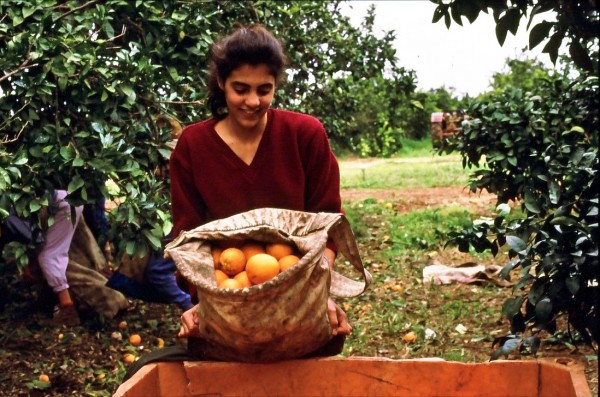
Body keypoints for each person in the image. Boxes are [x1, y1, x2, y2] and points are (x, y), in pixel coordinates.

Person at [169, 24, 352, 345]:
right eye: (241, 89)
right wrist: (205, 303)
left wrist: (315, 295)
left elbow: (328, 223)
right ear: (221, 83)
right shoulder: (193, 144)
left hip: (297, 283)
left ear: (275, 86)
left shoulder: (304, 135)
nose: (253, 101)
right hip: (225, 292)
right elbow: (188, 234)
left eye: (263, 90)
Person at [0, 190, 83, 325]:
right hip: (67, 202)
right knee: (50, 254)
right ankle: (48, 301)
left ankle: (68, 310)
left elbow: (36, 240)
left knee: (48, 256)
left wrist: (28, 265)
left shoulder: (8, 218)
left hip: (65, 206)